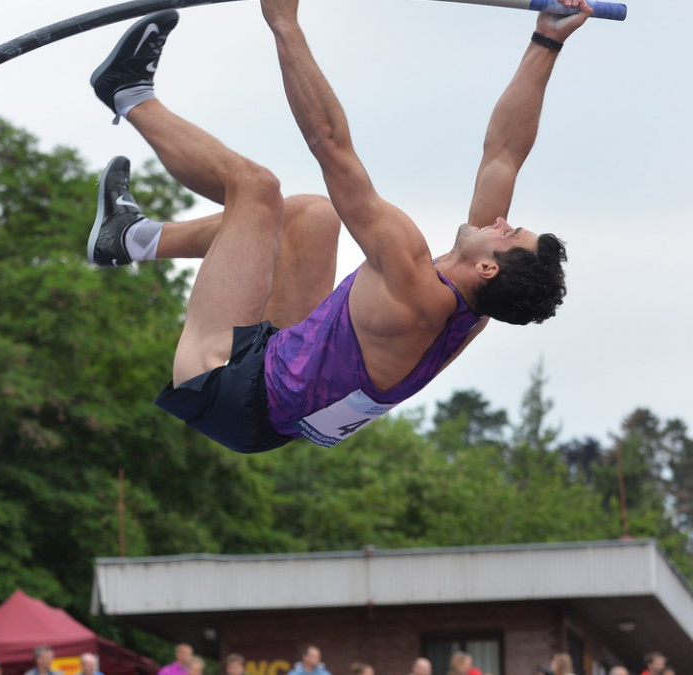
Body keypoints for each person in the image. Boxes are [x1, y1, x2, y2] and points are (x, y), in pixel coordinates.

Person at [85, 0, 589, 453]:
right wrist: (547, 40)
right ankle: (129, 238)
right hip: (277, 399)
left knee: (256, 189)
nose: (501, 222)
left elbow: (328, 142)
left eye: (510, 233)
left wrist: (283, 21)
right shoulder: (473, 307)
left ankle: (129, 94)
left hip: (223, 383)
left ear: (487, 267)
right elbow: (503, 156)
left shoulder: (408, 277)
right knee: (313, 216)